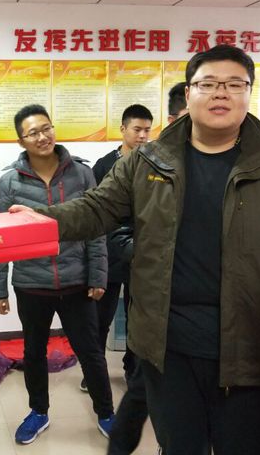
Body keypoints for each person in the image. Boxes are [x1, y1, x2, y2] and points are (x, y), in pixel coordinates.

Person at [10, 45, 260, 455]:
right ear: (188, 93)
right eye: (208, 84)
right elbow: (97, 208)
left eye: (234, 84)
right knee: (179, 446)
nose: (221, 93)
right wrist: (44, 219)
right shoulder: (148, 162)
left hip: (251, 347)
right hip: (168, 347)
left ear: (249, 93)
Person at [0, 104, 114, 445]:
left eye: (46, 128)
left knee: (90, 352)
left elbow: (95, 226)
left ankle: (106, 413)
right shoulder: (10, 181)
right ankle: (38, 412)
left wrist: (98, 276)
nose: (42, 137)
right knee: (34, 353)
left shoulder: (81, 174)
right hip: (31, 284)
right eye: (33, 133)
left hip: (77, 281)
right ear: (21, 141)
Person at [107, 91, 186, 455]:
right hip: (141, 279)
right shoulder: (139, 165)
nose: (142, 135)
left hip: (199, 312)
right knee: (141, 391)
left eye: (145, 129)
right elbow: (106, 220)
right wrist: (146, 256)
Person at [89, 104, 153, 390]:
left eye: (147, 130)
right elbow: (94, 211)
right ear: (123, 129)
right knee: (100, 317)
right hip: (110, 253)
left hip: (142, 252)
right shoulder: (104, 166)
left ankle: (133, 371)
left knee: (137, 318)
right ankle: (95, 373)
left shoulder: (154, 164)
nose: (142, 136)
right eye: (137, 129)